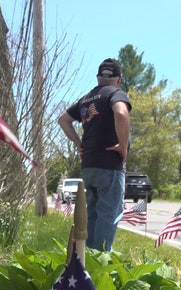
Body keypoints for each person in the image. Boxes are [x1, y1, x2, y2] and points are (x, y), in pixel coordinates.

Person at [57, 58, 131, 251]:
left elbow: (63, 119)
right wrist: (123, 146)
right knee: (108, 215)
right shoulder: (115, 94)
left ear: (98, 77)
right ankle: (100, 263)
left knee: (92, 216)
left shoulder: (86, 99)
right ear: (118, 79)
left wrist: (77, 142)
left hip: (89, 165)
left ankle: (85, 259)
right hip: (109, 166)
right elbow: (121, 114)